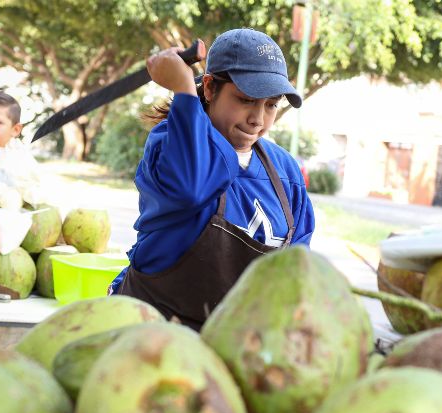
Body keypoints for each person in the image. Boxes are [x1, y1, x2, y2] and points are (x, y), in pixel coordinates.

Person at [110, 28, 316, 330]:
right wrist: (183, 90)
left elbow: (297, 266)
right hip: (150, 332)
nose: (258, 119)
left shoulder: (284, 171)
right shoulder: (170, 142)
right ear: (208, 88)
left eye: (271, 104)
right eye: (246, 99)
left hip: (229, 343)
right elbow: (191, 187)